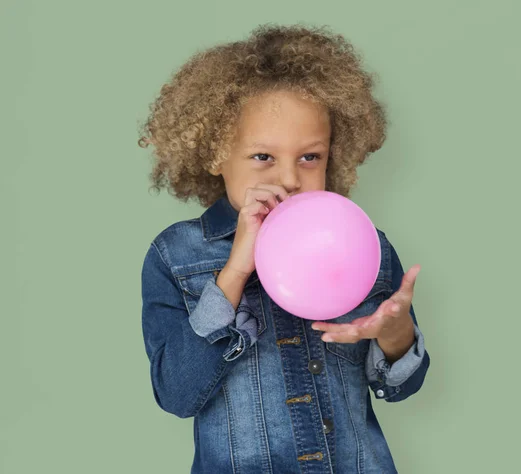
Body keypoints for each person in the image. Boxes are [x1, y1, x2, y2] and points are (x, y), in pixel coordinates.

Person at [138, 23, 430, 474]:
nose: (290, 178)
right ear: (216, 155)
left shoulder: (361, 245)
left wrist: (393, 334)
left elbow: (399, 386)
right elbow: (176, 394)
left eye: (309, 157)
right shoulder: (176, 255)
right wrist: (234, 272)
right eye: (263, 157)